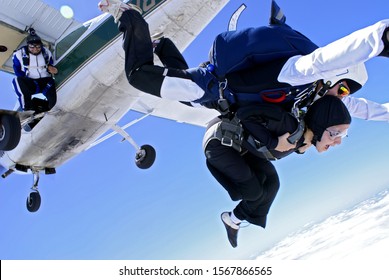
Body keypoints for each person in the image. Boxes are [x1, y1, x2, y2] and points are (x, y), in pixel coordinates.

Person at [98, 0, 389, 122]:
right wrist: (380, 39)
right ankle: (129, 15)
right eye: (344, 89)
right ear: (335, 76)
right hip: (211, 87)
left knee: (182, 84)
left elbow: (364, 110)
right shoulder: (302, 72)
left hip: (214, 97)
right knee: (139, 75)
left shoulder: (321, 96)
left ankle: (160, 43)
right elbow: (328, 58)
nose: (342, 98)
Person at [203, 94, 351, 247]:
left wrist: (299, 147)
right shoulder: (289, 125)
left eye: (343, 134)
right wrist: (273, 142)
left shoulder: (301, 137)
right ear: (320, 126)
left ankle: (232, 221)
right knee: (253, 192)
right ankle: (231, 219)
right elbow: (244, 114)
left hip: (241, 147)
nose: (338, 141)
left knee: (272, 183)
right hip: (220, 143)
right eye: (335, 133)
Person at [12, 28, 58, 112]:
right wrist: (26, 79)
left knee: (53, 104)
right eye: (32, 47)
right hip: (33, 82)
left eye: (38, 47)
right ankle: (27, 109)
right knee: (17, 80)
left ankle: (44, 110)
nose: (35, 49)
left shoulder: (46, 52)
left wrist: (52, 69)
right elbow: (17, 69)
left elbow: (50, 62)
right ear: (28, 45)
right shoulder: (19, 54)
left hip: (46, 82)